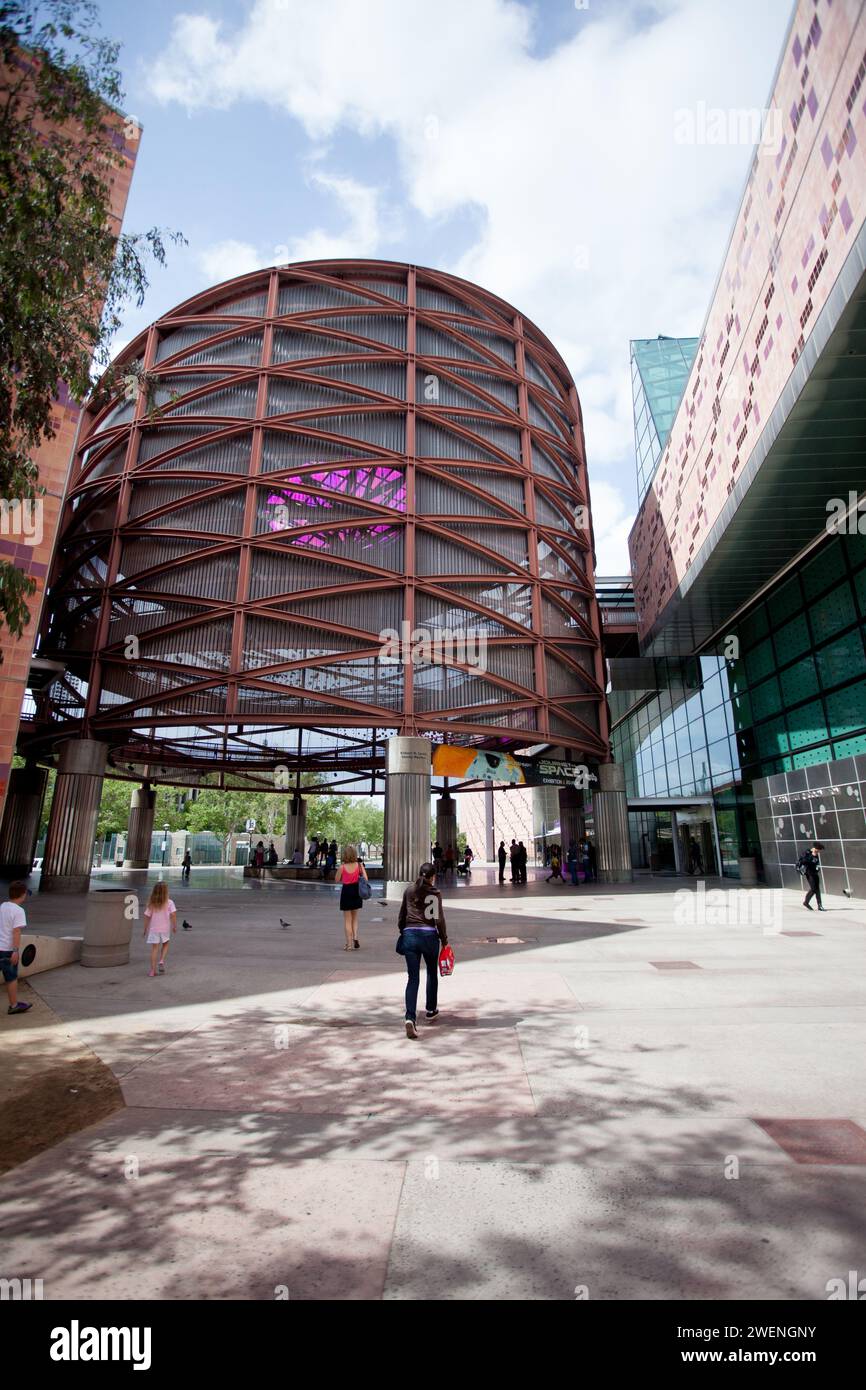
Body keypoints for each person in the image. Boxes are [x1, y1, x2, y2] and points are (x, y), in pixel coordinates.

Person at [397, 862, 448, 1039]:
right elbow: (439, 919)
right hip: (429, 937)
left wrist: (402, 932)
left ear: (419, 874)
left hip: (410, 935)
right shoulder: (435, 893)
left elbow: (402, 916)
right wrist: (445, 940)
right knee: (431, 973)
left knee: (413, 977)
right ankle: (431, 1009)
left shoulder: (409, 890)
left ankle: (410, 1017)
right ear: (433, 877)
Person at [1, 881, 32, 1015]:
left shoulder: (2, 906)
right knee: (11, 978)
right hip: (7, 949)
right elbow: (16, 932)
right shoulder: (19, 911)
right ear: (22, 894)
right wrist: (15, 951)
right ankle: (14, 1005)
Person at [143, 881, 177, 977]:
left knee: (154, 949)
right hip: (165, 928)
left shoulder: (152, 903)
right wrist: (174, 926)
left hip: (154, 929)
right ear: (166, 892)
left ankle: (152, 971)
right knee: (165, 944)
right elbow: (173, 915)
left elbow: (146, 916)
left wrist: (145, 929)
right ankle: (161, 960)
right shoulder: (170, 902)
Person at [338, 844, 369, 949]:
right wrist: (361, 867)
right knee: (355, 918)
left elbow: (337, 879)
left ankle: (349, 944)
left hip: (346, 891)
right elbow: (365, 878)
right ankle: (355, 937)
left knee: (347, 920)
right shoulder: (358, 866)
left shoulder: (342, 867)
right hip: (356, 891)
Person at [798, 843, 826, 911]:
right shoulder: (807, 852)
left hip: (815, 873)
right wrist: (812, 856)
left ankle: (820, 905)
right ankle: (806, 902)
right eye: (818, 850)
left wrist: (817, 868)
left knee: (817, 889)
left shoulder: (816, 854)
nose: (819, 852)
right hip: (809, 873)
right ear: (815, 848)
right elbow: (803, 861)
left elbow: (816, 862)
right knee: (813, 889)